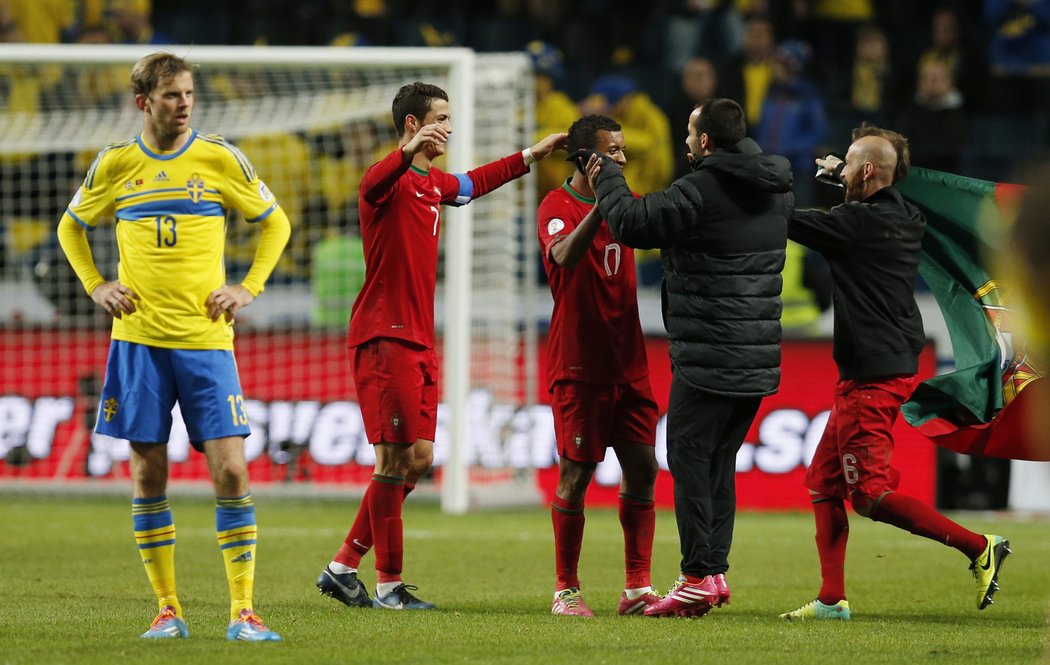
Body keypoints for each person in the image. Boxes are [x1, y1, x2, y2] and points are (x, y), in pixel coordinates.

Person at [56, 52, 289, 641]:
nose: (183, 104)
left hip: (207, 343)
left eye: (188, 93)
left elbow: (275, 222)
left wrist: (247, 287)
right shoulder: (115, 164)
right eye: (170, 96)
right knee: (148, 474)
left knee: (232, 472)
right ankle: (167, 609)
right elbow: (70, 226)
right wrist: (97, 284)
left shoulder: (219, 157)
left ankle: (243, 612)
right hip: (137, 344)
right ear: (143, 103)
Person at [315, 81, 567, 611]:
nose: (449, 128)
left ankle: (342, 566)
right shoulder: (385, 180)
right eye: (442, 118)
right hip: (384, 337)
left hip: (419, 339)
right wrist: (405, 152)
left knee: (420, 457)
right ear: (414, 124)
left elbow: (473, 184)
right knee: (393, 458)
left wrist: (530, 156)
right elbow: (374, 181)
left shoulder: (432, 184)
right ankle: (388, 586)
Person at [779, 126, 1010, 621]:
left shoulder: (857, 224)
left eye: (847, 165)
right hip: (882, 362)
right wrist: (841, 182)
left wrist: (750, 186)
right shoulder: (907, 215)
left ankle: (979, 546)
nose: (839, 170)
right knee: (823, 483)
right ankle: (831, 600)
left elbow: (786, 220)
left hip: (874, 373)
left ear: (865, 173)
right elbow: (865, 208)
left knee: (869, 494)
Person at [581, 98, 793, 618]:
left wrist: (605, 172)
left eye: (689, 133)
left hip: (710, 352)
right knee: (718, 464)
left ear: (705, 142)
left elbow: (631, 223)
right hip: (756, 356)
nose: (684, 142)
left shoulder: (700, 190)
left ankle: (697, 575)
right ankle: (714, 573)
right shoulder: (776, 189)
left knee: (692, 459)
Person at [538, 114, 660, 617]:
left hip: (628, 360)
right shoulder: (556, 206)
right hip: (579, 364)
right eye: (613, 151)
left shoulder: (625, 200)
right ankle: (566, 590)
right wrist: (602, 208)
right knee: (577, 471)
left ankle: (636, 588)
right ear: (588, 157)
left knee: (643, 467)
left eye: (623, 149)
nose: (623, 159)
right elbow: (563, 255)